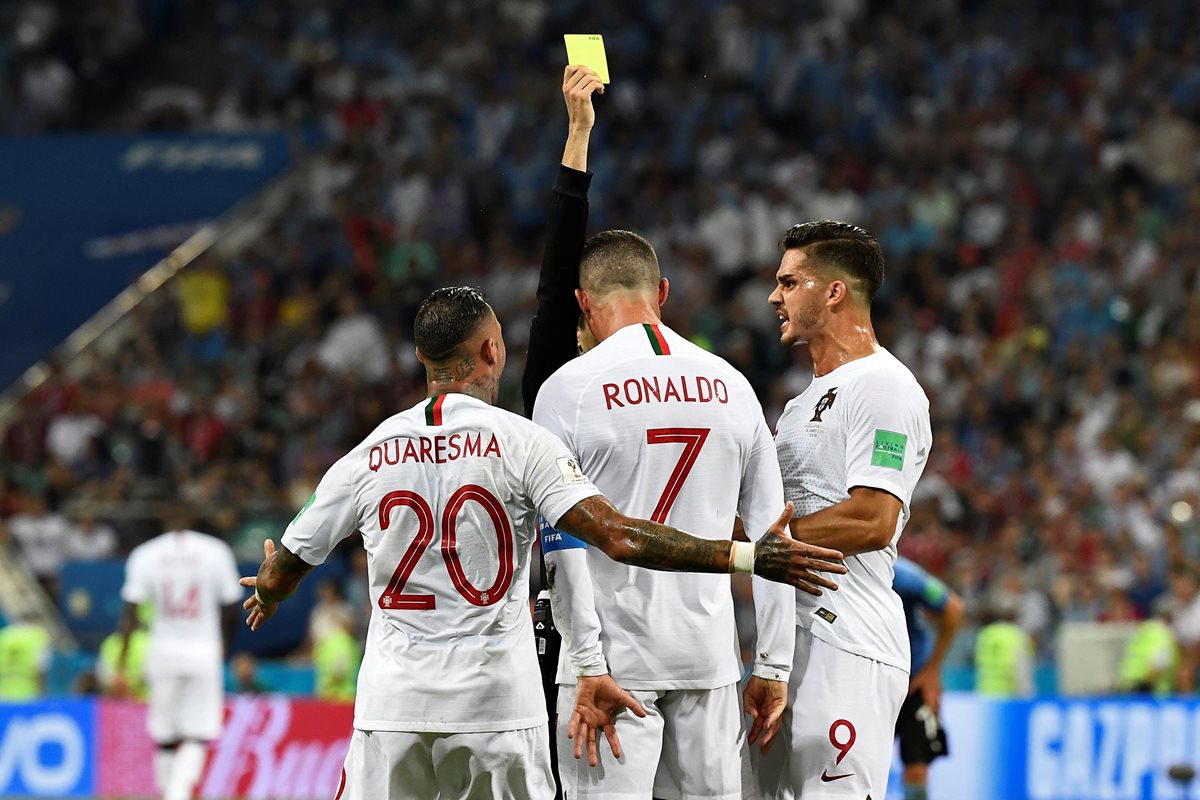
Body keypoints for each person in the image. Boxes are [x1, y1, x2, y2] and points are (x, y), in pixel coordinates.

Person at [239, 286, 845, 800]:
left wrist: (269, 588)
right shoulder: (524, 444)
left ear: (422, 357)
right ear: (492, 351)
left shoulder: (367, 454)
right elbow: (618, 537)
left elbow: (288, 565)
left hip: (391, 709)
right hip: (498, 708)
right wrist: (743, 555)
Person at [758, 220, 933, 799]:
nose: (774, 296)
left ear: (833, 292)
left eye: (789, 282)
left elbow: (874, 519)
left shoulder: (886, 386)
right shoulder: (798, 403)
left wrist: (758, 550)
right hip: (787, 644)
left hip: (848, 644)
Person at [116, 509, 243, 800]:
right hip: (203, 649)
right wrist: (224, 643)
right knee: (199, 730)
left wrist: (122, 659)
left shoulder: (146, 554)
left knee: (164, 732)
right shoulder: (216, 551)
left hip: (162, 650)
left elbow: (130, 610)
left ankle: (168, 792)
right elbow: (231, 604)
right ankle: (180, 791)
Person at [891, 556, 964, 800]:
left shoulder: (903, 576)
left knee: (917, 765)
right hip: (873, 679)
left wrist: (932, 670)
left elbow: (953, 607)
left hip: (914, 680)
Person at [973, 598, 1034, 697]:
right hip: (1008, 697)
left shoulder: (986, 634)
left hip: (984, 693)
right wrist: (1027, 697)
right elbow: (1021, 671)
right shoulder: (1017, 636)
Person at [0, 611, 51, 699]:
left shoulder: (4, 635)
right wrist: (42, 694)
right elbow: (41, 668)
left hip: (4, 692)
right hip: (29, 692)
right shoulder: (38, 636)